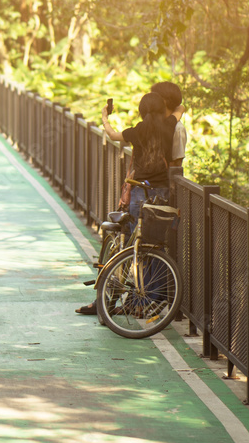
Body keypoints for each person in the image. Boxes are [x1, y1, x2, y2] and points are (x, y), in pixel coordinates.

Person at [75, 89, 185, 315]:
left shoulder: (137, 131)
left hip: (139, 192)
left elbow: (113, 136)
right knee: (155, 243)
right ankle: (147, 299)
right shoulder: (169, 126)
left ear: (142, 110)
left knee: (131, 241)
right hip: (161, 193)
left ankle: (115, 296)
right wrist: (174, 106)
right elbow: (180, 109)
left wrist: (105, 118)